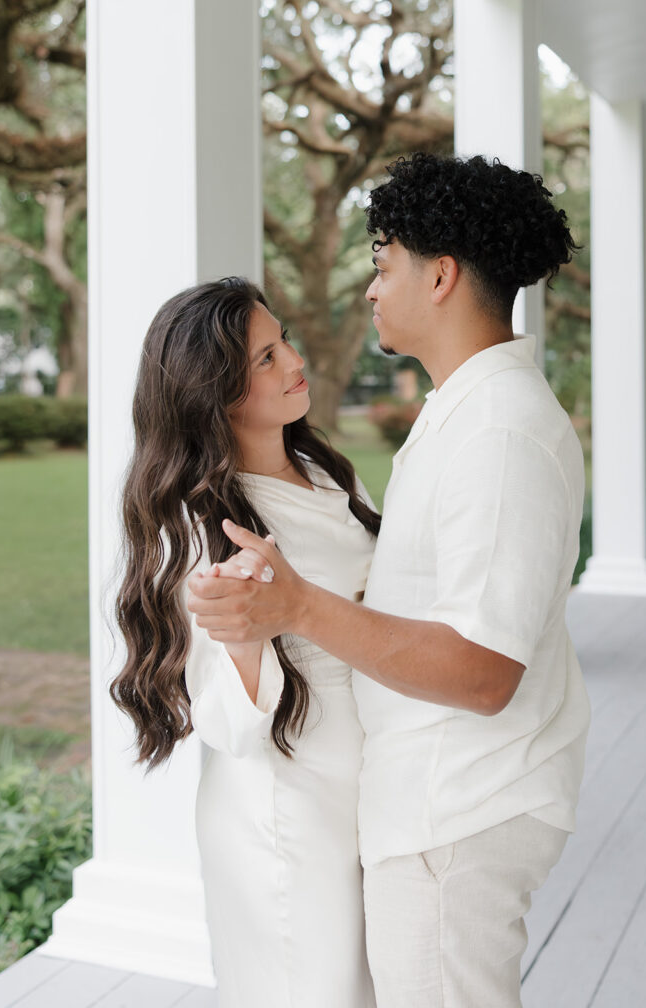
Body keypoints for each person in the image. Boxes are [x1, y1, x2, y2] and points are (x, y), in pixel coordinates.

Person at [187, 153, 592, 1008]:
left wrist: (299, 604)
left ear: (439, 275)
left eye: (382, 264)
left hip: (458, 804)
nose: (369, 290)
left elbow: (483, 673)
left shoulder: (498, 434)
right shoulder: (459, 413)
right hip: (402, 803)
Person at [110, 278, 379, 1008]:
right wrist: (249, 633)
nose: (293, 361)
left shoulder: (323, 473)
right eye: (265, 358)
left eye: (282, 339)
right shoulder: (206, 529)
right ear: (215, 392)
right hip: (287, 816)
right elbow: (227, 723)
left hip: (366, 798)